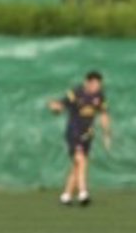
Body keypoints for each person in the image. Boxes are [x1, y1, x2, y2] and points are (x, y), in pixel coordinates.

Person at [48, 70, 112, 206]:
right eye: (94, 84)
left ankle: (66, 195)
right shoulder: (76, 93)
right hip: (74, 132)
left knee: (78, 165)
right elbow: (61, 106)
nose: (96, 87)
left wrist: (106, 134)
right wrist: (55, 107)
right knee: (81, 160)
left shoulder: (100, 96)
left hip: (87, 134)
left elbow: (104, 114)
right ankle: (83, 193)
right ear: (87, 83)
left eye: (98, 85)